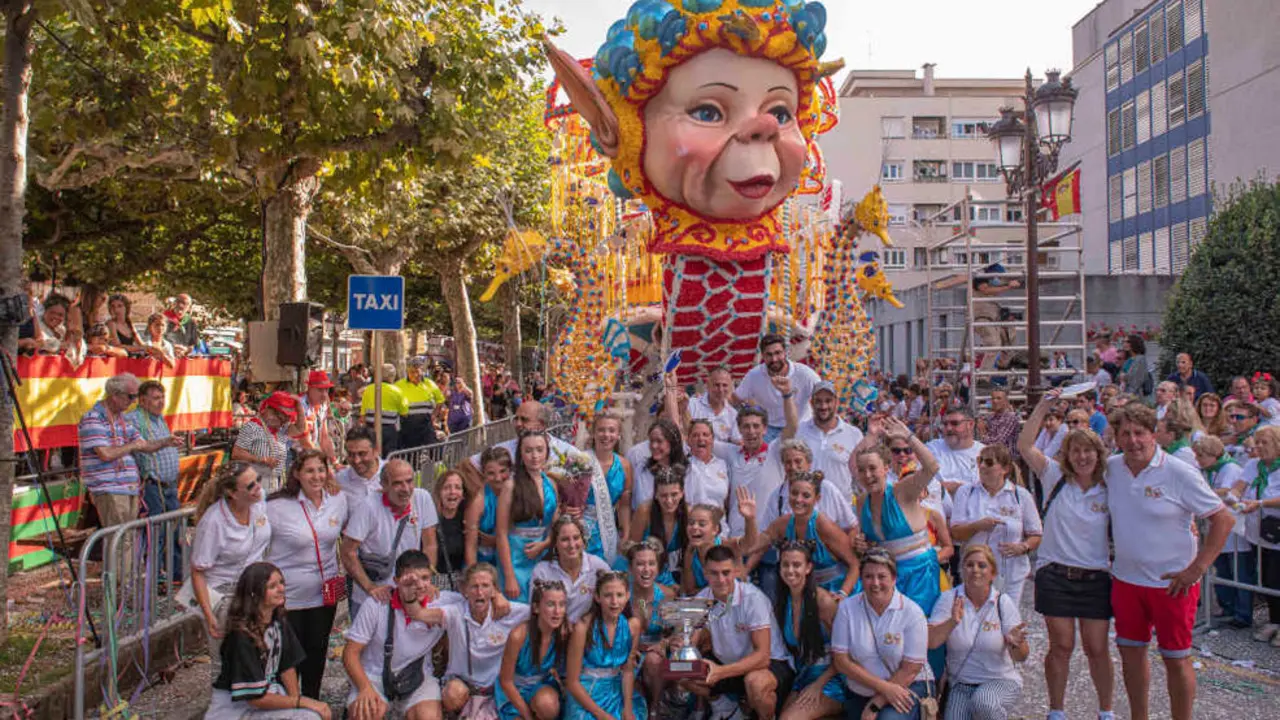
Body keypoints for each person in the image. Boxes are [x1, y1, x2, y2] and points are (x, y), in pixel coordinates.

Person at [1107, 403, 1233, 720]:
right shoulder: (1111, 469)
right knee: (1130, 655)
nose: (1133, 440)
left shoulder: (1178, 472)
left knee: (1176, 659)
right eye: (1126, 434)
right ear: (1117, 437)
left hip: (1172, 584)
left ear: (1154, 435)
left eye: (1140, 433)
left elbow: (1223, 519)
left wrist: (1197, 569)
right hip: (1126, 581)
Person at [1018, 391, 1115, 720]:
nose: (1083, 457)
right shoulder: (1054, 476)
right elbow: (1024, 446)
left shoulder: (1108, 483)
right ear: (1067, 454)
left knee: (1097, 648)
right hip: (1056, 573)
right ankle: (1056, 711)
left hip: (1096, 575)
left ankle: (1106, 710)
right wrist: (1044, 406)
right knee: (1061, 646)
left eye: (1088, 450)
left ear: (1098, 453)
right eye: (1076, 451)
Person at [264, 450, 349, 699]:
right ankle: (289, 707)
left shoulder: (338, 500)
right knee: (288, 660)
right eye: (310, 471)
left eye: (321, 470)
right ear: (297, 474)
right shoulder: (276, 506)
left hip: (324, 594)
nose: (316, 476)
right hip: (288, 597)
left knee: (317, 653)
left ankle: (312, 704)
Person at [342, 550, 460, 720]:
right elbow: (350, 653)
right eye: (410, 580)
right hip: (374, 676)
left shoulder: (443, 601)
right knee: (367, 713)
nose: (419, 585)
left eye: (425, 578)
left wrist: (498, 599)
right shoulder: (376, 604)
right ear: (396, 581)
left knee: (428, 716)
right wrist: (364, 687)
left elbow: (476, 598)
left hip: (417, 676)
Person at [205, 562, 331, 720]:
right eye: (272, 586)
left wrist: (296, 705)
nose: (281, 589)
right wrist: (300, 703)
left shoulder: (278, 621)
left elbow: (287, 665)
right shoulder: (241, 636)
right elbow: (255, 698)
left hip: (266, 696)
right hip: (236, 709)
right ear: (254, 593)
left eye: (281, 583)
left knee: (309, 715)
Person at [685, 545, 794, 720]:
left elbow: (763, 656)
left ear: (735, 571)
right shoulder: (702, 599)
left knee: (755, 683)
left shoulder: (753, 599)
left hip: (768, 664)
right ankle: (724, 706)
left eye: (726, 573)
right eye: (714, 573)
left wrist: (720, 672)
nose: (721, 579)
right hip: (726, 664)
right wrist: (682, 646)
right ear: (705, 573)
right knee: (679, 669)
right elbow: (690, 639)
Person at [927, 545, 1028, 720]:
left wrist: (1015, 643)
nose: (975, 570)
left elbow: (1022, 656)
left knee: (983, 703)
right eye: (969, 565)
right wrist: (952, 622)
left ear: (992, 574)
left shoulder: (1002, 603)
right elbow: (932, 642)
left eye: (982, 566)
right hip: (961, 683)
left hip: (999, 680)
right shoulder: (948, 599)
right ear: (962, 569)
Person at [854, 418, 943, 617]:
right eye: (862, 470)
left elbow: (932, 467)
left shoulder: (902, 491)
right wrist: (862, 545)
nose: (867, 475)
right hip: (884, 576)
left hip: (918, 574)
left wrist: (909, 436)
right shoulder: (861, 502)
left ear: (886, 468)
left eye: (872, 468)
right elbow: (872, 542)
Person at [831, 550, 934, 720]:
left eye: (882, 576)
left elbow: (911, 669)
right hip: (862, 690)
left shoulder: (912, 612)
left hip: (907, 685)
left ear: (894, 579)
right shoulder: (847, 609)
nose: (875, 583)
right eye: (868, 576)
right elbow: (841, 661)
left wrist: (876, 703)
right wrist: (884, 688)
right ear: (861, 579)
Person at [79, 374, 183, 540]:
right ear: (114, 395)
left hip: (128, 487)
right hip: (110, 487)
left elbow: (144, 445)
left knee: (129, 540)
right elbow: (105, 453)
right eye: (130, 396)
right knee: (121, 541)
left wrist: (166, 441)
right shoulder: (94, 419)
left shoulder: (120, 420)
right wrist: (132, 446)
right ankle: (119, 568)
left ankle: (129, 567)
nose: (133, 401)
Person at [341, 459, 440, 622]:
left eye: (409, 481)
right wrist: (370, 587)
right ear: (384, 486)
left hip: (409, 595)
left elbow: (430, 544)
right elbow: (347, 551)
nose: (406, 489)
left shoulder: (422, 498)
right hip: (373, 599)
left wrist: (425, 581)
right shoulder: (368, 506)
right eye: (398, 484)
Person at [185, 463, 271, 642]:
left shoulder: (259, 500)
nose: (258, 487)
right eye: (250, 485)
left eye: (258, 480)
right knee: (227, 657)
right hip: (224, 593)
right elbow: (197, 571)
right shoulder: (213, 522)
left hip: (255, 588)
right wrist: (209, 616)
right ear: (232, 493)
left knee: (259, 651)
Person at [949, 445, 1042, 605]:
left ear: (1004, 469)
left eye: (989, 462)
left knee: (1007, 620)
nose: (983, 466)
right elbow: (956, 533)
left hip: (1011, 573)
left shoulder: (1020, 496)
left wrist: (1023, 547)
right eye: (980, 461)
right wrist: (978, 526)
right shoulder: (966, 492)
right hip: (974, 573)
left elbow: (1036, 534)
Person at [434, 563, 528, 718]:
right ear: (464, 590)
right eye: (474, 586)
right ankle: (458, 712)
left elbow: (540, 613)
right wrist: (427, 591)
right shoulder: (455, 608)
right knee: (452, 695)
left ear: (494, 589)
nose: (479, 592)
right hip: (462, 684)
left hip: (495, 688)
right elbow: (423, 609)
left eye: (485, 586)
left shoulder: (508, 611)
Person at [746, 470, 860, 597]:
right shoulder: (782, 523)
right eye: (794, 493)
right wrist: (749, 520)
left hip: (835, 588)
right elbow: (752, 546)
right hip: (803, 590)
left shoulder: (823, 525)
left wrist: (842, 594)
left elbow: (854, 563)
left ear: (817, 499)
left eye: (806, 496)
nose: (798, 499)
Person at [773, 541, 844, 720]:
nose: (790, 570)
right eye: (785, 564)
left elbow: (846, 653)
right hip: (803, 676)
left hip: (832, 678)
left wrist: (818, 685)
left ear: (808, 568)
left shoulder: (823, 602)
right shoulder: (783, 601)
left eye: (796, 565)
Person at [564, 570, 646, 720]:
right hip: (587, 691)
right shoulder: (583, 627)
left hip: (616, 689)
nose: (614, 602)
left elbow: (628, 670)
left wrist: (627, 709)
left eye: (620, 595)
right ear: (597, 597)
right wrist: (602, 716)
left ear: (628, 596)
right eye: (608, 595)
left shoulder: (632, 625)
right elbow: (572, 682)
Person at [1192, 435, 1255, 630]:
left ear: (1214, 455)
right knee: (1222, 569)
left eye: (1201, 456)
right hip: (1216, 530)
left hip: (1235, 530)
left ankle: (1242, 612)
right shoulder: (1208, 470)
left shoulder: (1230, 468)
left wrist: (1204, 491)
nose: (1198, 460)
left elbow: (1227, 491)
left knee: (1239, 571)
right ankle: (1227, 607)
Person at [128, 380, 185, 580]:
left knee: (175, 530)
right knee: (157, 533)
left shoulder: (159, 419)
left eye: (162, 398)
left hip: (169, 485)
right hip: (153, 485)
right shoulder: (134, 419)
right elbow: (140, 446)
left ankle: (176, 573)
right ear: (142, 400)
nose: (161, 402)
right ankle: (157, 575)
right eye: (155, 398)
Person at [497, 432, 560, 602]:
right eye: (528, 450)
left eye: (540, 450)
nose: (535, 456)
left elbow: (556, 525)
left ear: (547, 452)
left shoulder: (551, 484)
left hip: (543, 554)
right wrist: (509, 576)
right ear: (520, 454)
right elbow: (501, 533)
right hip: (517, 556)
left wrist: (545, 544)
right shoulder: (511, 486)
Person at [460, 401, 576, 494]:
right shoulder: (503, 449)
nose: (518, 424)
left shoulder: (567, 452)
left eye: (524, 420)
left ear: (542, 424)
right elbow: (466, 466)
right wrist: (486, 498)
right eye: (516, 419)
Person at [497, 579, 569, 720]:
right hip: (515, 689)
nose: (557, 611)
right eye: (550, 604)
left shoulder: (563, 633)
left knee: (547, 705)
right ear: (536, 608)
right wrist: (527, 716)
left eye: (562, 605)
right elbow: (505, 681)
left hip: (542, 687)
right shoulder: (519, 636)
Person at [732, 333, 820, 441]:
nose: (774, 359)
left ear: (785, 352)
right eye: (769, 355)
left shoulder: (805, 374)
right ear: (763, 356)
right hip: (768, 429)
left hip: (801, 426)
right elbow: (735, 399)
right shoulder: (754, 375)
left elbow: (823, 397)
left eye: (778, 353)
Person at [1239, 425, 1280, 645]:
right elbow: (1239, 486)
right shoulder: (1253, 465)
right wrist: (1233, 499)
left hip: (1277, 532)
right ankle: (1274, 621)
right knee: (1266, 579)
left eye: (1265, 443)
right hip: (1258, 532)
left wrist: (1261, 503)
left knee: (1277, 578)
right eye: (1258, 442)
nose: (1260, 447)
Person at [530, 516, 612, 624]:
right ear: (555, 543)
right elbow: (535, 613)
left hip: (585, 632)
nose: (572, 545)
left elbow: (612, 599)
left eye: (576, 538)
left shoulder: (598, 566)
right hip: (553, 631)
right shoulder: (542, 571)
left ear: (583, 540)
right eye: (565, 539)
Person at [795, 381, 865, 503]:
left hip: (842, 512)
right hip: (806, 510)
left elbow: (860, 476)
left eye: (828, 401)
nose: (823, 406)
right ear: (811, 403)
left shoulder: (854, 434)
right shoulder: (800, 432)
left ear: (837, 403)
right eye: (819, 401)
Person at [625, 539, 673, 710]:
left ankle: (656, 707)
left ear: (658, 568)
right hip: (627, 653)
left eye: (651, 563)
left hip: (655, 654)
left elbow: (679, 630)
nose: (646, 570)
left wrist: (664, 643)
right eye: (640, 564)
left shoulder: (667, 595)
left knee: (653, 661)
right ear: (630, 568)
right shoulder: (621, 595)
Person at [580, 412, 632, 564]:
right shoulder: (580, 460)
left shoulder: (624, 465)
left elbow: (624, 505)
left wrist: (626, 534)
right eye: (601, 430)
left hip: (609, 529)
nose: (606, 435)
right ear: (593, 433)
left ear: (618, 435)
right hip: (583, 530)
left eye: (611, 430)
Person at [233, 391, 302, 492]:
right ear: (268, 410)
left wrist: (299, 406)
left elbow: (300, 428)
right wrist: (260, 459)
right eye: (279, 416)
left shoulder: (281, 431)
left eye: (284, 418)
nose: (281, 421)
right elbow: (237, 453)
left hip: (275, 483)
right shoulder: (252, 427)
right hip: (256, 483)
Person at [629, 466, 687, 587]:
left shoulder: (689, 513)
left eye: (674, 494)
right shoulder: (644, 512)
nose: (669, 501)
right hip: (642, 571)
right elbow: (631, 550)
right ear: (655, 495)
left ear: (682, 493)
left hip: (673, 572)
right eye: (664, 495)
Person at [466, 447, 512, 569]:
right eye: (491, 473)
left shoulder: (517, 493)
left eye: (503, 471)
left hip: (513, 559)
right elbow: (471, 545)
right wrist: (474, 575)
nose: (498, 478)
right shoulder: (479, 500)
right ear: (483, 473)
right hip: (483, 562)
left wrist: (495, 541)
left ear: (510, 470)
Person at [926, 407, 985, 494]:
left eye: (955, 423)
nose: (948, 428)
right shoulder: (931, 449)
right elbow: (919, 483)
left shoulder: (984, 453)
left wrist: (956, 488)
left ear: (971, 424)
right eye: (945, 424)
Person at [394, 357, 444, 448]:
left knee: (435, 450)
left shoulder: (430, 384)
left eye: (417, 372)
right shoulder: (398, 385)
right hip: (407, 425)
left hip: (426, 425)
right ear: (407, 372)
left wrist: (434, 415)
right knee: (410, 453)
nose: (415, 375)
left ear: (422, 371)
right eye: (412, 372)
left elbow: (440, 400)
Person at [360, 364, 409, 456]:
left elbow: (362, 416)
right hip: (389, 429)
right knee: (389, 456)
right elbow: (405, 413)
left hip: (371, 428)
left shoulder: (369, 389)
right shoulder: (397, 391)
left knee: (371, 455)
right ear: (392, 377)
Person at [433, 470, 467, 591]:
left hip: (461, 585)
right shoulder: (430, 520)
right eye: (447, 487)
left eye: (457, 487)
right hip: (434, 585)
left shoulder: (467, 520)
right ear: (439, 492)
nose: (452, 492)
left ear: (463, 494)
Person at [689, 365, 741, 443]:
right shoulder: (692, 404)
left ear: (730, 387)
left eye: (725, 385)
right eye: (716, 385)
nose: (721, 390)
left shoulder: (733, 415)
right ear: (707, 385)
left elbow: (737, 442)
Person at [335, 426, 384, 503]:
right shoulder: (340, 480)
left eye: (362, 454)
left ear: (376, 450)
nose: (356, 461)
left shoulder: (394, 474)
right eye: (351, 454)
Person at [296, 370, 336, 463]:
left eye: (326, 390)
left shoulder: (323, 405)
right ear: (309, 388)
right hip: (294, 456)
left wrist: (334, 462)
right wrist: (322, 463)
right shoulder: (300, 405)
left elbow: (324, 437)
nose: (324, 394)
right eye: (320, 390)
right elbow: (305, 442)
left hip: (310, 454)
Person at [980, 388, 1021, 460]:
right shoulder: (990, 417)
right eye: (993, 398)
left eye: (999, 398)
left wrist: (983, 434)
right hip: (993, 456)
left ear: (1006, 401)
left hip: (1007, 459)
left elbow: (998, 442)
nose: (995, 401)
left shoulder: (1011, 417)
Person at [1118, 335, 1152, 402]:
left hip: (1133, 397)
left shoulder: (1140, 359)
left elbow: (1136, 381)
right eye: (1123, 341)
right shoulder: (1128, 360)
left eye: (1128, 342)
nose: (1125, 344)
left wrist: (1124, 377)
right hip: (1123, 394)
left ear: (1135, 343)